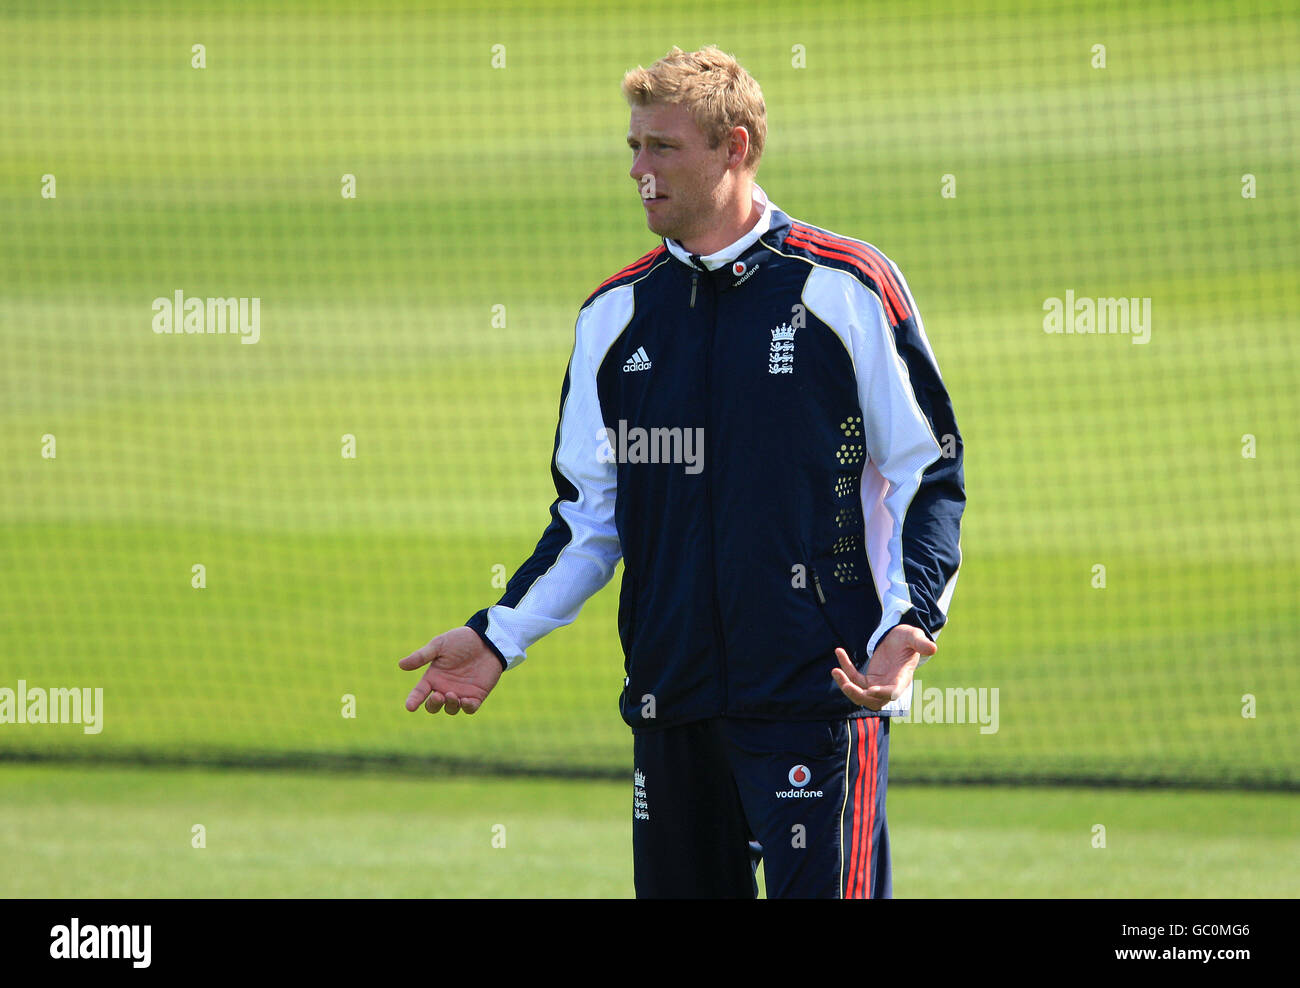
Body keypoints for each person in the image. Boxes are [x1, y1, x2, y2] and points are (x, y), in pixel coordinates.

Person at [399, 45, 964, 898]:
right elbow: (589, 519)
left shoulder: (844, 287)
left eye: (662, 148)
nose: (638, 171)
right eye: (633, 147)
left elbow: (929, 471)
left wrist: (908, 623)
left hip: (820, 699)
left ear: (733, 148)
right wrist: (498, 635)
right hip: (672, 703)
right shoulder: (614, 315)